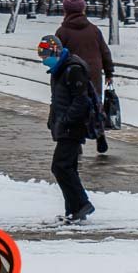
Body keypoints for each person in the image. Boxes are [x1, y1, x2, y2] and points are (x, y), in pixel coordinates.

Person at [38, 34, 98, 223]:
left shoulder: (72, 69)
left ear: (54, 51)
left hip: (74, 126)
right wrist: (53, 119)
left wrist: (65, 119)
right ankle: (72, 211)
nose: (43, 59)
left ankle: (82, 204)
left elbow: (82, 100)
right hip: (65, 125)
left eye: (44, 55)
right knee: (67, 167)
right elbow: (57, 100)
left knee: (60, 166)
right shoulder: (60, 69)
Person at [56, 0, 113, 154]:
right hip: (93, 73)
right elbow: (104, 52)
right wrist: (109, 72)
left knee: (74, 106)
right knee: (95, 105)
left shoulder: (62, 32)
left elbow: (58, 56)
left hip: (72, 76)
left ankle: (76, 143)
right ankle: (100, 135)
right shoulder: (94, 29)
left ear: (65, 10)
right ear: (83, 9)